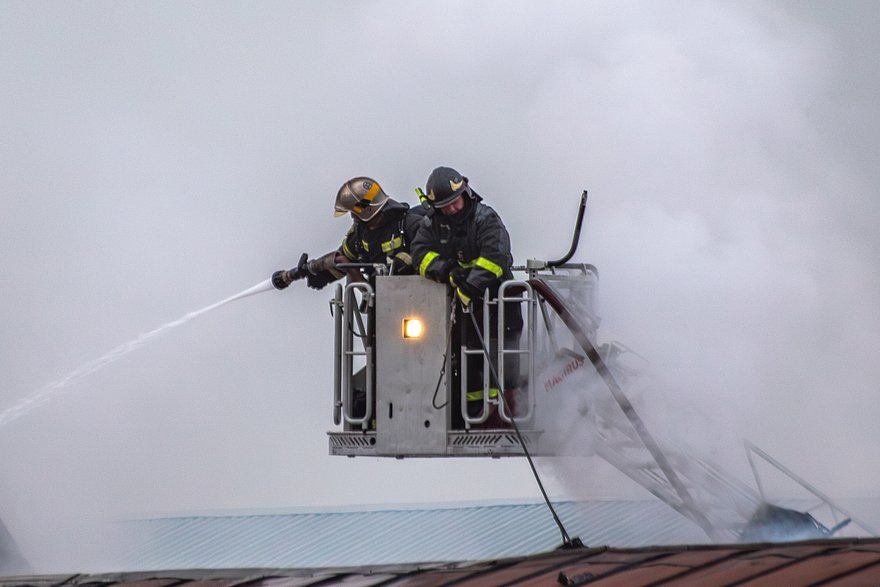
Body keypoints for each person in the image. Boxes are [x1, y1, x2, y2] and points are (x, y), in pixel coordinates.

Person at [411, 166, 523, 429]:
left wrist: (469, 286)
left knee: (502, 360)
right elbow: (420, 255)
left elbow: (496, 259)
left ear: (466, 193)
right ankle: (475, 416)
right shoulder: (432, 225)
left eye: (454, 202)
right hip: (465, 310)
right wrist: (449, 272)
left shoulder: (486, 219)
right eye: (443, 206)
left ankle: (504, 415)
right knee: (469, 362)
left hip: (499, 305)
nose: (450, 210)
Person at [272, 176, 425, 291]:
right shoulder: (360, 234)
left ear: (367, 208)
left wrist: (403, 263)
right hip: (382, 307)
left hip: (420, 299)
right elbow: (344, 259)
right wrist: (320, 274)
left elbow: (427, 254)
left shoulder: (408, 224)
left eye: (354, 212)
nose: (352, 216)